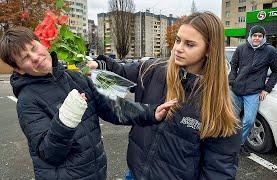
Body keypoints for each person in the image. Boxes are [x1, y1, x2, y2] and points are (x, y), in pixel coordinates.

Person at [0, 27, 177, 180]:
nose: (35, 57)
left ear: (41, 43)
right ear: (19, 69)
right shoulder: (27, 100)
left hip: (95, 172)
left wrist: (150, 113)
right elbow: (49, 153)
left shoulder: (75, 77)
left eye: (33, 48)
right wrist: (66, 119)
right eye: (25, 58)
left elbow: (111, 109)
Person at [88, 12, 241, 179]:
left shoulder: (220, 103)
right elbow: (121, 71)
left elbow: (219, 170)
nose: (178, 48)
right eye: (177, 40)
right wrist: (97, 65)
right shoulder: (153, 70)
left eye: (189, 44)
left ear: (209, 50)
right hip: (135, 174)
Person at [228, 25, 277, 147]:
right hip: (236, 90)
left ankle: (238, 144)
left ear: (263, 37)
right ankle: (229, 142)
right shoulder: (241, 48)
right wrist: (232, 81)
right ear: (250, 36)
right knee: (232, 119)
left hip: (253, 92)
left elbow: (276, 71)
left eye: (260, 36)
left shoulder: (270, 51)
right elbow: (234, 66)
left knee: (249, 120)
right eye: (254, 35)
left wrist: (267, 89)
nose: (257, 38)